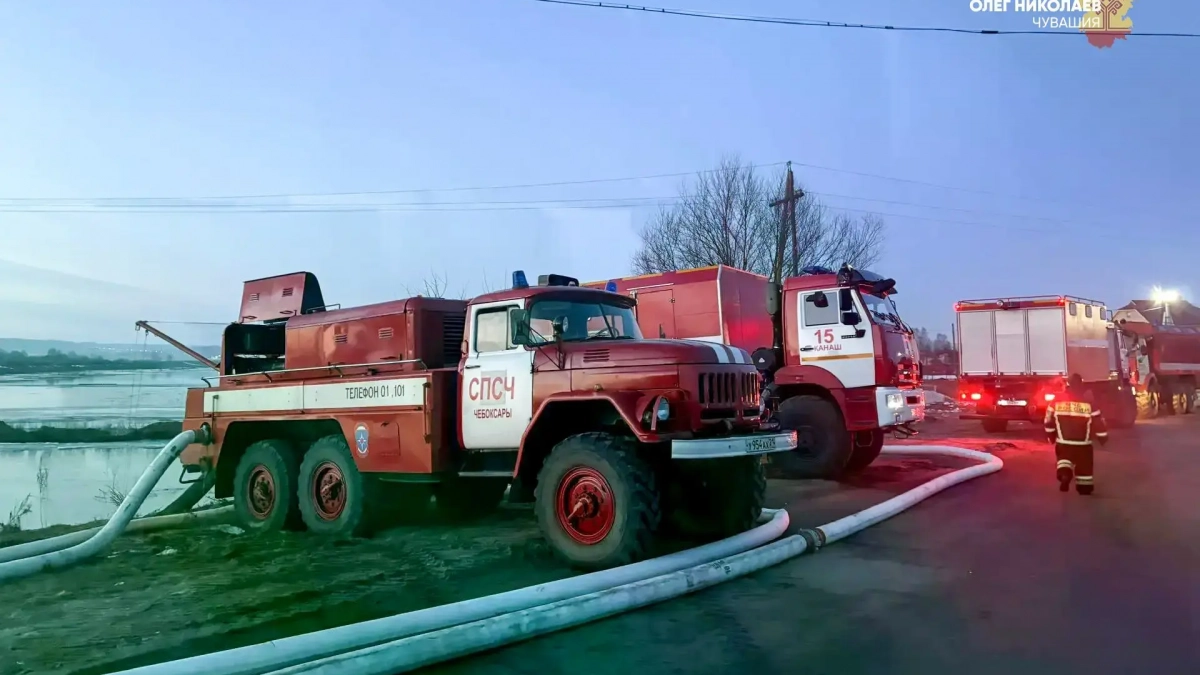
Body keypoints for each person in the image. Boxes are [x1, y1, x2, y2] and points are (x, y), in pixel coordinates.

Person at [1043, 373, 1108, 495]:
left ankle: (1064, 476)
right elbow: (1099, 422)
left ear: (1068, 385)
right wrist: (1102, 437)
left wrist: (1051, 436)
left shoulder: (1056, 401)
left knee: (1064, 460)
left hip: (1064, 442)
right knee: (1084, 466)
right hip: (1084, 444)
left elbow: (1048, 420)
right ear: (1081, 385)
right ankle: (1084, 487)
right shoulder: (1089, 403)